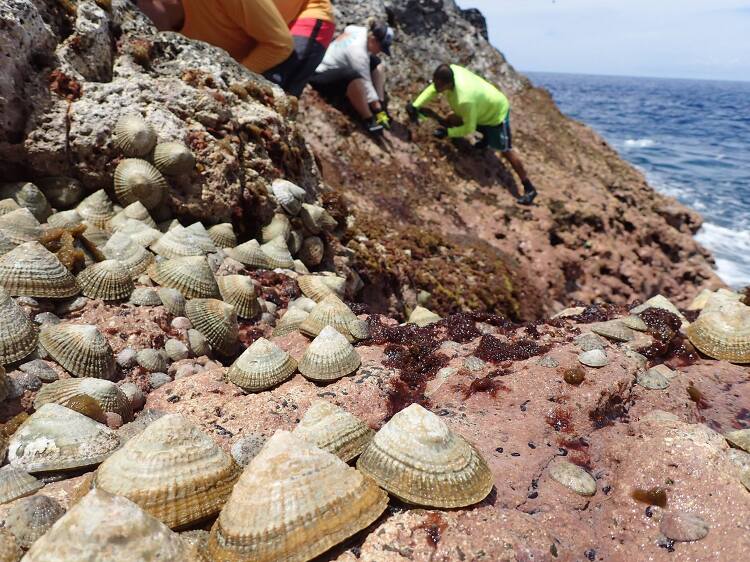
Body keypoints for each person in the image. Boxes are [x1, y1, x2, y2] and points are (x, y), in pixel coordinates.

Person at [134, 0, 335, 97]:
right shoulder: (166, 32)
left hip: (302, 17)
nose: (138, 22)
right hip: (259, 31)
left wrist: (230, 82)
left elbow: (280, 44)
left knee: (276, 94)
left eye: (135, 7)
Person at [407, 64, 538, 205]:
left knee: (505, 151)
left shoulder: (465, 99)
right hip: (481, 107)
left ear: (449, 83)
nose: (436, 88)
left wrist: (448, 133)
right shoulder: (449, 70)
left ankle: (529, 187)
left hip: (496, 112)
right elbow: (434, 88)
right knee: (453, 118)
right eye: (435, 83)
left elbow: (469, 128)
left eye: (440, 86)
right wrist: (416, 105)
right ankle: (486, 137)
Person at [309, 21, 395, 136]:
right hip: (320, 75)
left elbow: (349, 28)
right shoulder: (358, 53)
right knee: (354, 77)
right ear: (373, 39)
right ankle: (369, 119)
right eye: (381, 47)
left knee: (376, 62)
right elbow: (366, 84)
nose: (380, 51)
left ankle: (381, 102)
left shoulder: (359, 31)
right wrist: (377, 111)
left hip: (336, 65)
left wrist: (379, 103)